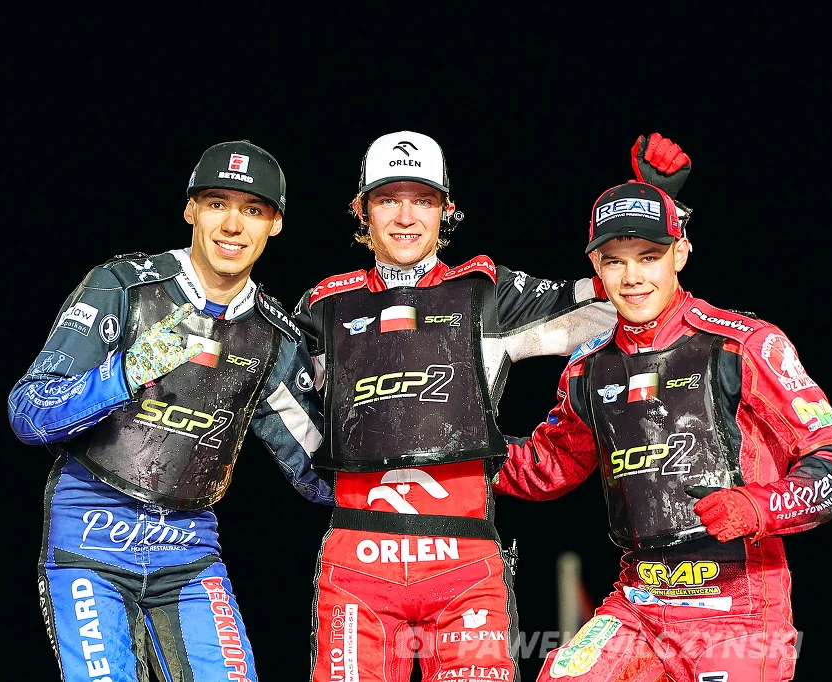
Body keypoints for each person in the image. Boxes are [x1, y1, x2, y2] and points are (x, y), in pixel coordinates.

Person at [292, 130, 692, 681]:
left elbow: (623, 299)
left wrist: (655, 208)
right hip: (357, 568)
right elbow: (276, 405)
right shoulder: (325, 306)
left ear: (447, 208)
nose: (405, 217)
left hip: (465, 568)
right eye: (388, 199)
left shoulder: (486, 292)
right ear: (362, 210)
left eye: (423, 199)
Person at [496, 179, 832, 681]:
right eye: (615, 261)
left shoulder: (744, 345)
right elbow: (548, 467)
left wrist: (758, 506)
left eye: (648, 257)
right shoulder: (587, 368)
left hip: (738, 610)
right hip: (638, 603)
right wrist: (459, 448)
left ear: (681, 254)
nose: (632, 277)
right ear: (596, 268)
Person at [7, 140, 333, 682]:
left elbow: (315, 469)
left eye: (253, 210)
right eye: (217, 204)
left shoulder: (273, 335)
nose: (233, 225)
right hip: (89, 537)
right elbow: (28, 412)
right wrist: (124, 373)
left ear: (274, 224)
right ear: (191, 210)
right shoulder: (122, 285)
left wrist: (431, 488)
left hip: (188, 549)